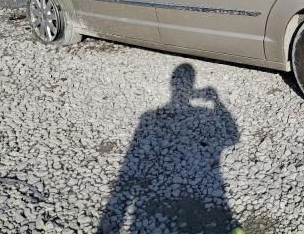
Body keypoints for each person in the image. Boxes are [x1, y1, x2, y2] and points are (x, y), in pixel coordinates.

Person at [99, 63, 239, 233]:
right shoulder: (202, 112)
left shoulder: (148, 118)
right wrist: (217, 102)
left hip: (144, 209)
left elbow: (129, 165)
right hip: (208, 190)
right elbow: (232, 138)